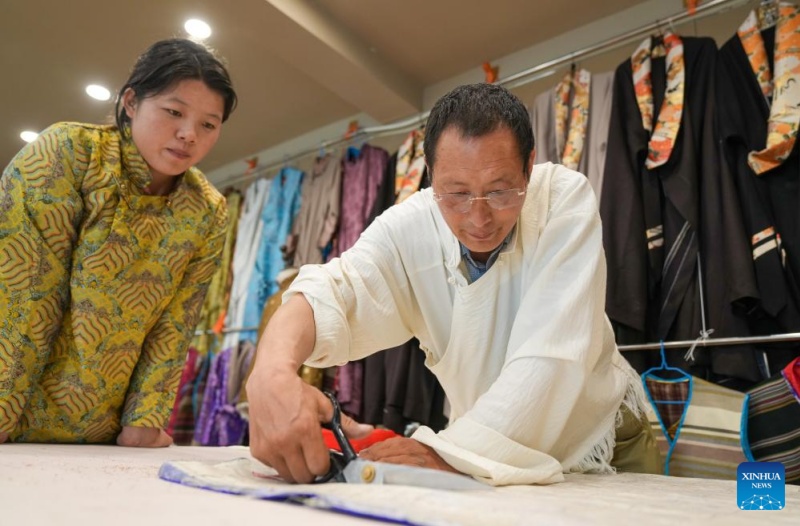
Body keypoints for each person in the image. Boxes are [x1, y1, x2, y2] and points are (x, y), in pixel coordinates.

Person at [246, 83, 660, 486]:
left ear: (529, 166)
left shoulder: (562, 199)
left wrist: (445, 454)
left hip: (599, 445)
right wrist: (270, 373)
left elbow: (550, 359)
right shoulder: (408, 226)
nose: (478, 220)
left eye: (500, 192)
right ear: (431, 175)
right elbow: (331, 293)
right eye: (456, 194)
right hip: (482, 451)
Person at [0, 38, 237, 447]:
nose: (188, 135)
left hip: (108, 433)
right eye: (174, 112)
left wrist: (143, 422)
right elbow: (24, 293)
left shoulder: (208, 209)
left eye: (208, 124)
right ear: (131, 102)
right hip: (15, 415)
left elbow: (175, 324)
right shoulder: (68, 153)